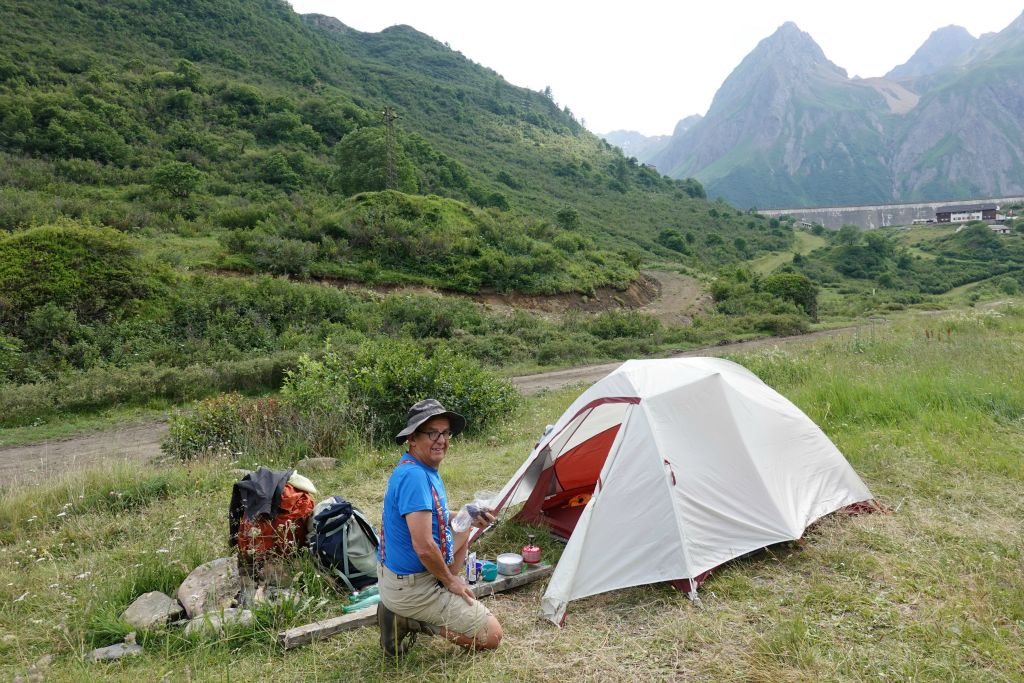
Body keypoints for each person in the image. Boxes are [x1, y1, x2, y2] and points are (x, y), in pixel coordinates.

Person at [376, 399, 503, 656]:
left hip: (403, 578)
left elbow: (436, 516)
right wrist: (452, 581)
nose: (441, 440)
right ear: (412, 438)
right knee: (492, 635)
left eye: (446, 433)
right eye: (433, 433)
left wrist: (468, 514)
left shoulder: (421, 467)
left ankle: (420, 599)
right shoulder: (414, 477)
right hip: (411, 587)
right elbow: (423, 547)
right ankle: (409, 618)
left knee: (463, 524)